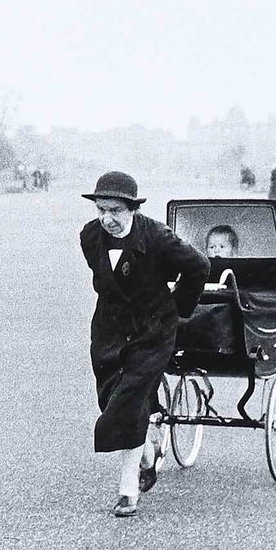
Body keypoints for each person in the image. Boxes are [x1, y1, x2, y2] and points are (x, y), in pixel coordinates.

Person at [79, 171, 209, 518]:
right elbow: (107, 283)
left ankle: (128, 490)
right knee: (110, 397)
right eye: (101, 210)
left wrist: (178, 309)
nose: (107, 219)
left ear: (133, 209)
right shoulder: (89, 237)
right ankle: (149, 452)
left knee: (129, 401)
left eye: (116, 211)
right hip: (109, 328)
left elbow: (199, 266)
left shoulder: (157, 236)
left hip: (153, 330)